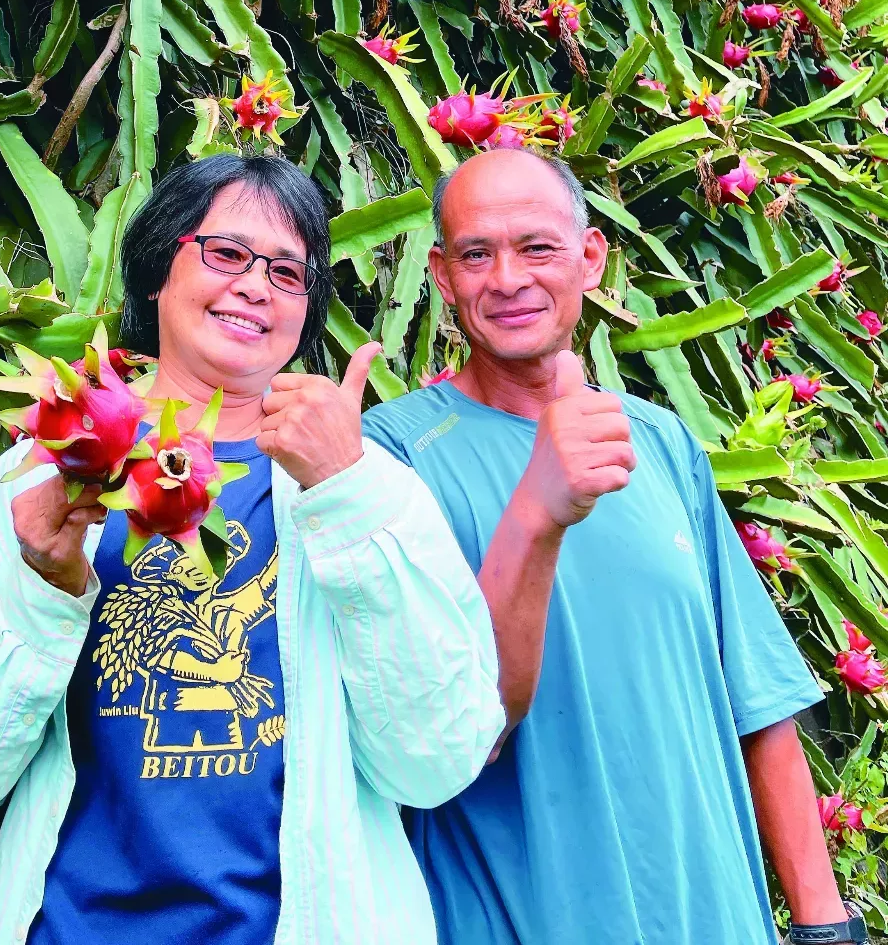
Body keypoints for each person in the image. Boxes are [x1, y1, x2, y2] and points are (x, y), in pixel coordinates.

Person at [0, 153, 504, 945]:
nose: (257, 285)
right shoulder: (43, 485)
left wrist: (348, 496)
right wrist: (43, 592)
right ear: (158, 266)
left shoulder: (369, 489)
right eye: (227, 253)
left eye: (290, 273)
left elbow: (437, 761)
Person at [363, 147, 857, 945]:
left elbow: (757, 700)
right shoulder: (390, 459)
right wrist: (537, 506)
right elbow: (440, 726)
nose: (508, 278)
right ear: (442, 275)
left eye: (538, 247)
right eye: (476, 253)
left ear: (591, 258)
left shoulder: (662, 443)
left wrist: (824, 925)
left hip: (717, 916)